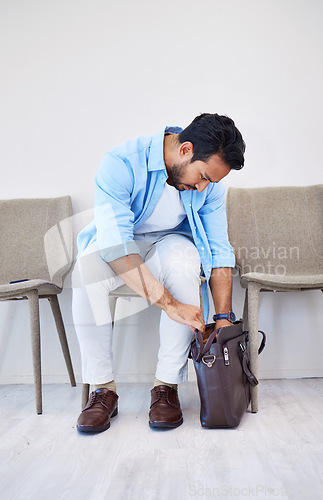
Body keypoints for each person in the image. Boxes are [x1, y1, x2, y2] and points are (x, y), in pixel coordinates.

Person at [72, 113, 245, 433]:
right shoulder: (121, 163)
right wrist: (170, 305)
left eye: (211, 182)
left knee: (185, 262)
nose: (203, 186)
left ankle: (166, 387)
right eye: (203, 176)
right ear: (185, 150)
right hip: (121, 245)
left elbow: (219, 249)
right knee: (85, 270)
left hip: (171, 245)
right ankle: (101, 390)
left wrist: (223, 316)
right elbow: (116, 246)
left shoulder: (210, 186)